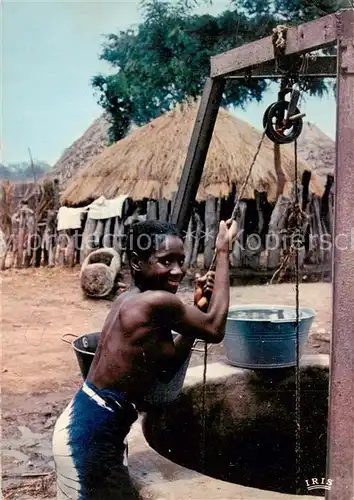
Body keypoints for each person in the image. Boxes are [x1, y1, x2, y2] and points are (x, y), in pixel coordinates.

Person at [52, 218, 236, 499]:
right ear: (137, 262)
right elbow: (214, 328)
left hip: (86, 425)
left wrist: (199, 305)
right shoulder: (158, 303)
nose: (178, 271)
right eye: (166, 261)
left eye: (181, 261)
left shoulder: (134, 299)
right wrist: (223, 253)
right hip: (88, 436)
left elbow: (166, 368)